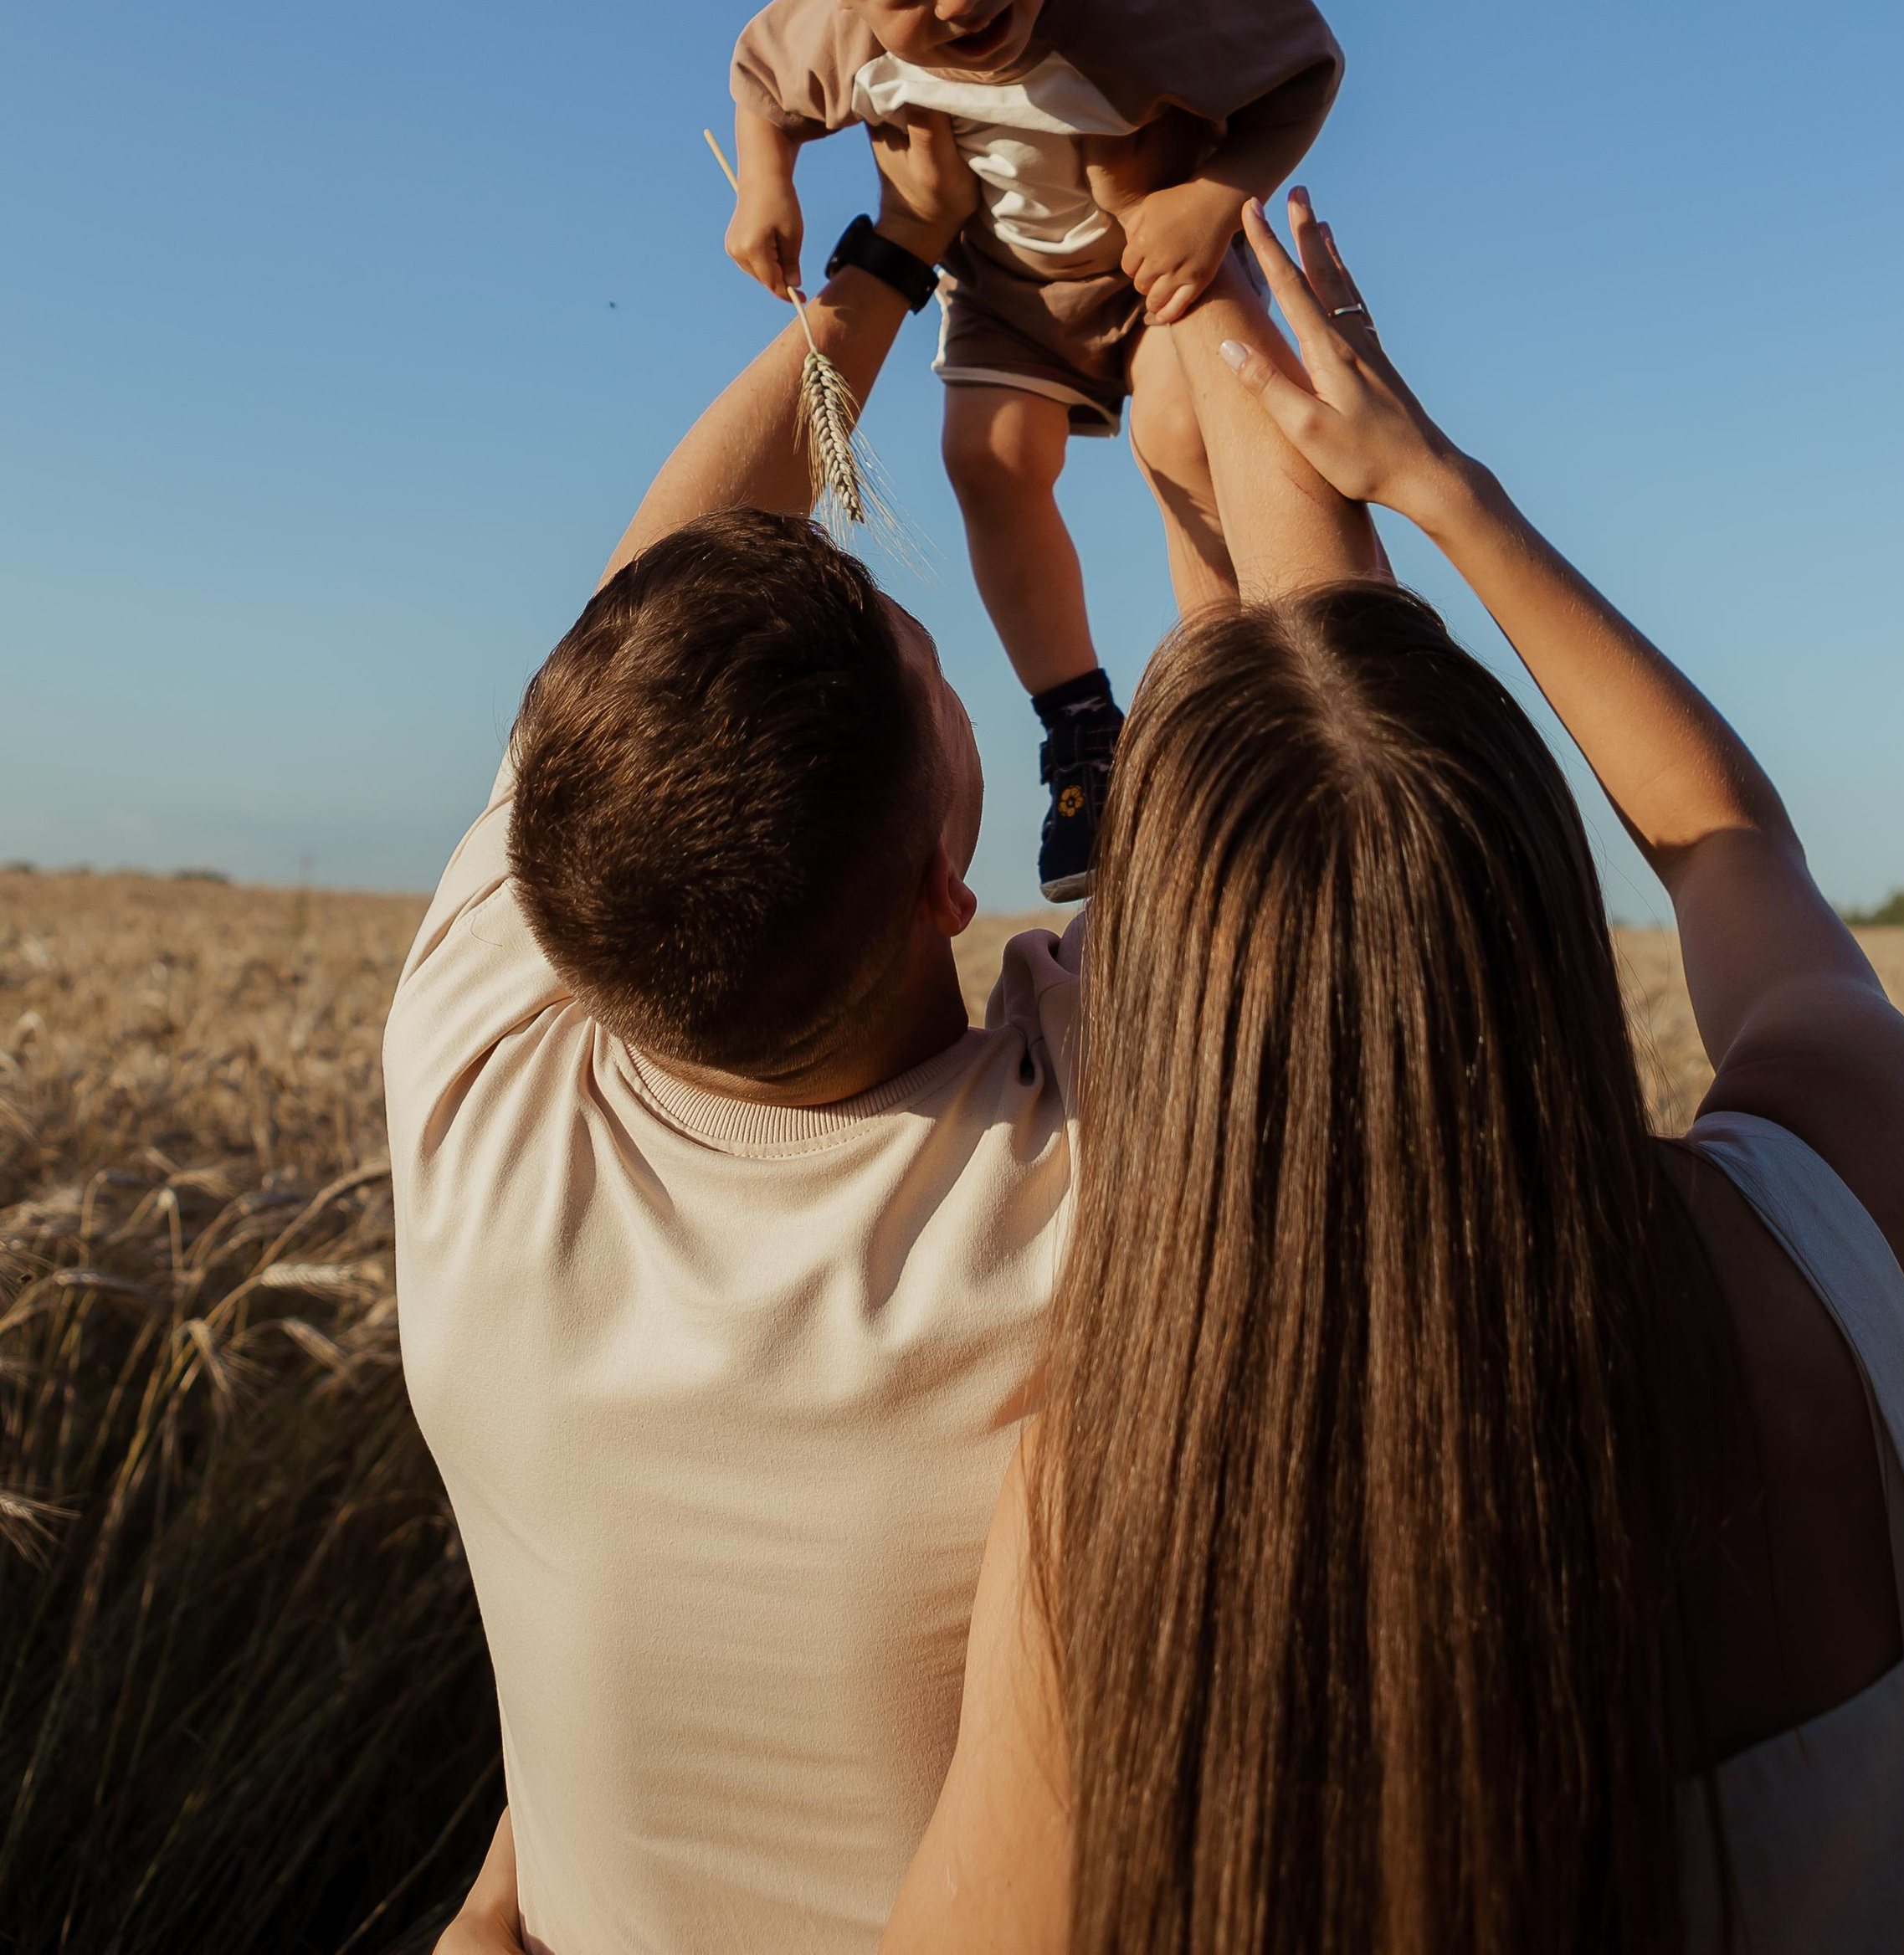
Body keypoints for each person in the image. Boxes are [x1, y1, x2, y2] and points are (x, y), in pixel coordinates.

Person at [882, 192, 1904, 1955]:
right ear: (1545, 899)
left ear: (1180, 1009)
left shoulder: (1124, 1492)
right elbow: (1722, 837)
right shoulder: (1858, 1195)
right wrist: (1435, 485)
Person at [391, 117, 1381, 1955]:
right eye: (935, 676)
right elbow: (1330, 771)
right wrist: (1213, 324)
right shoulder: (1100, 1164)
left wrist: (895, 250)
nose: (949, 661)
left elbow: (645, 597)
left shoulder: (480, 1067)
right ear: (950, 876)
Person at [718, 0, 1345, 893]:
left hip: (1151, 266)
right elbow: (759, 81)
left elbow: (1304, 71)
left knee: (1183, 437)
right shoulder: (840, 34)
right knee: (986, 458)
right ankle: (1083, 732)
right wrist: (763, 190)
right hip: (1005, 285)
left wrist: (1213, 196)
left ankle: (1219, 699)